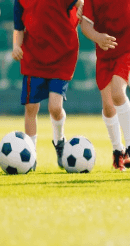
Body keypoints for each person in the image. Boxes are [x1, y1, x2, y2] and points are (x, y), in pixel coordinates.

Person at [12, 0, 83, 169]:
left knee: (55, 107)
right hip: (34, 57)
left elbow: (80, 3)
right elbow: (18, 28)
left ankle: (60, 142)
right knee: (31, 108)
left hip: (62, 56)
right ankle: (30, 154)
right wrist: (16, 45)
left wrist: (81, 8)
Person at [80, 0, 130, 171]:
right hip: (105, 54)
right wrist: (97, 37)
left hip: (128, 48)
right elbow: (86, 26)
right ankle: (118, 151)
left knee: (117, 92)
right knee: (108, 106)